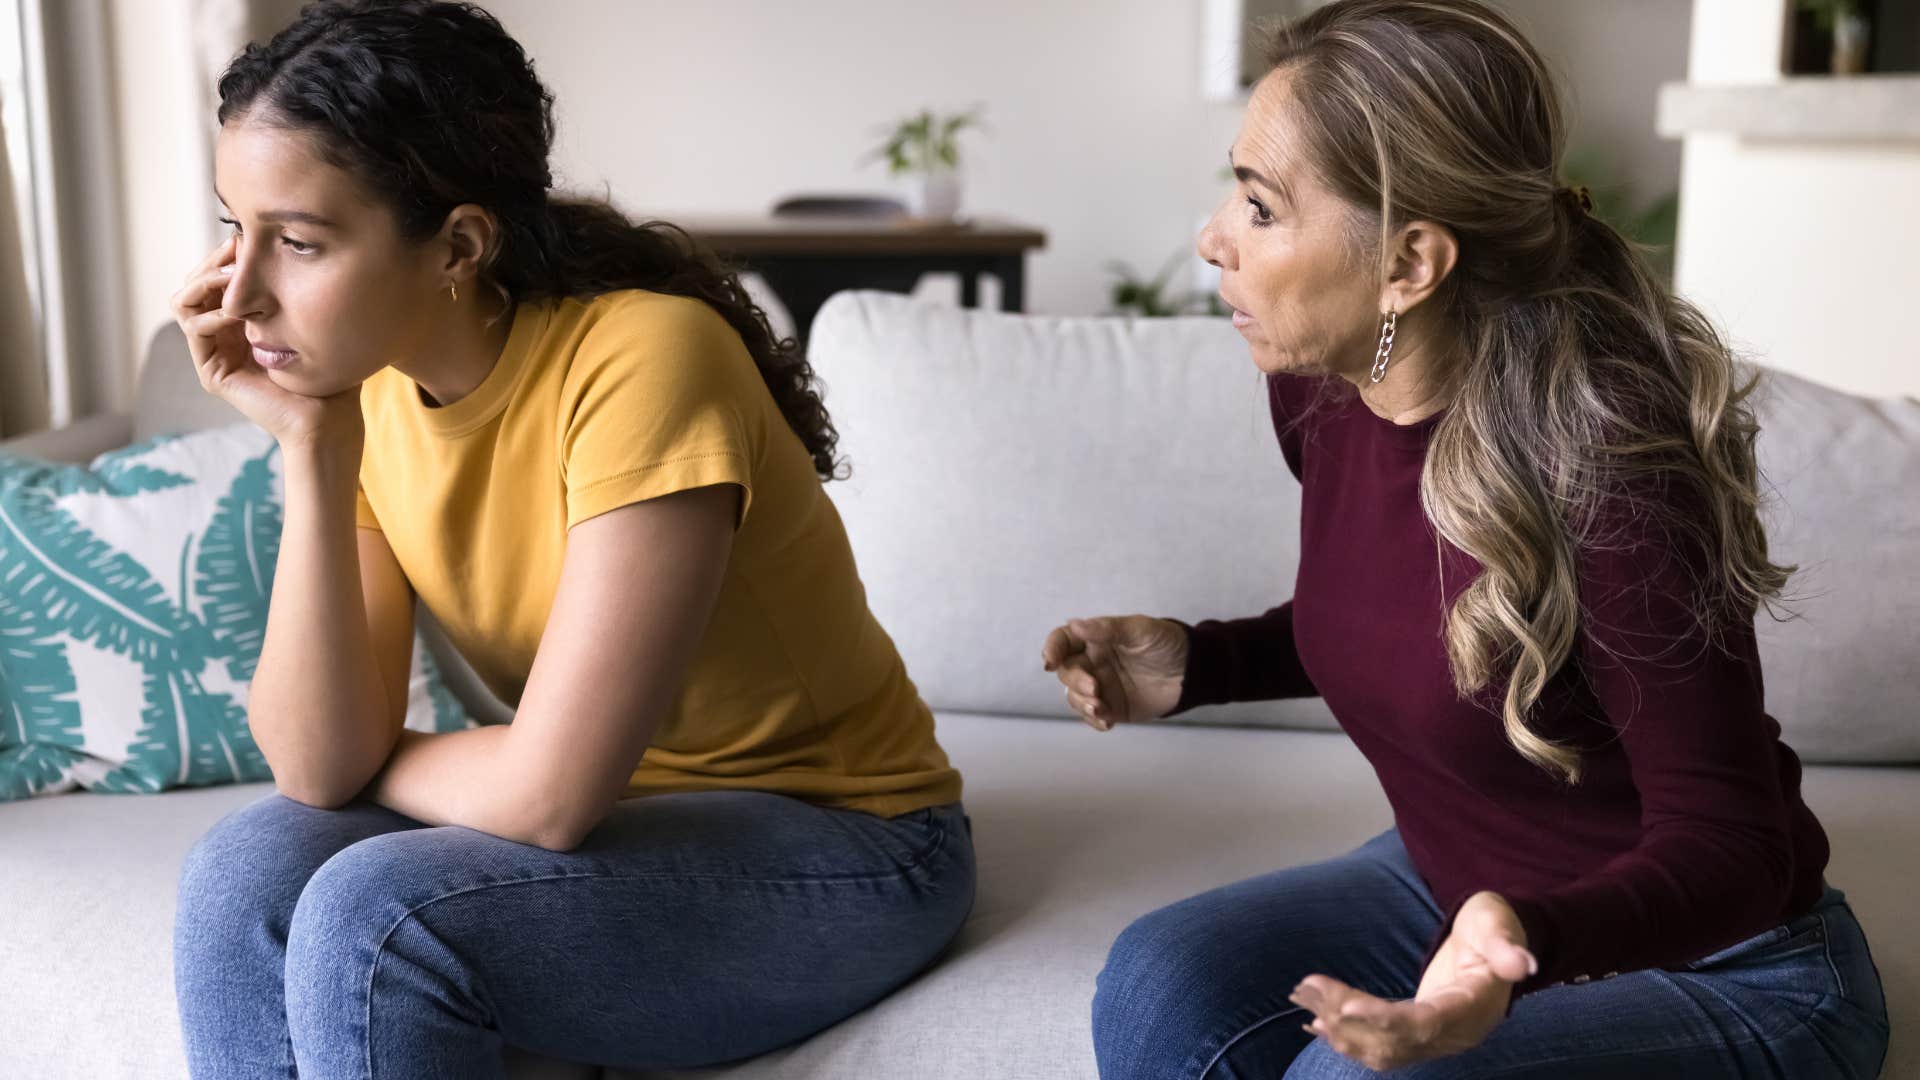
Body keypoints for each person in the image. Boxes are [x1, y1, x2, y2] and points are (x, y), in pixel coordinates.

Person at [1042, 1, 1889, 1076]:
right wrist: (1207, 661)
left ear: (1410, 265)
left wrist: (1522, 942)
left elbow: (1734, 847)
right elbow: (1428, 619)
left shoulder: (1610, 474)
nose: (1213, 238)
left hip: (1725, 970)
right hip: (1461, 898)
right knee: (1163, 979)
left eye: (1260, 209)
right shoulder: (1328, 396)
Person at [169, 2, 971, 1076]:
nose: (242, 289)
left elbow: (546, 800)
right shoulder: (373, 391)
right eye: (236, 227)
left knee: (384, 916)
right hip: (625, 823)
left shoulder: (643, 362)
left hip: (852, 840)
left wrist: (404, 758)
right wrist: (313, 450)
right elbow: (317, 765)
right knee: (243, 870)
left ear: (457, 244)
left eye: (299, 241)